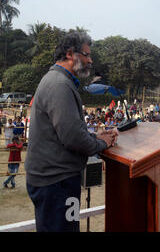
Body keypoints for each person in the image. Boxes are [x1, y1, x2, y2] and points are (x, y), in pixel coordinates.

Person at [24, 31, 118, 232]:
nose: (90, 60)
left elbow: (68, 131)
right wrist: (103, 143)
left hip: (54, 180)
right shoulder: (59, 84)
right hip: (57, 183)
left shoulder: (57, 80)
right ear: (70, 54)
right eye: (86, 55)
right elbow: (73, 137)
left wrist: (95, 137)